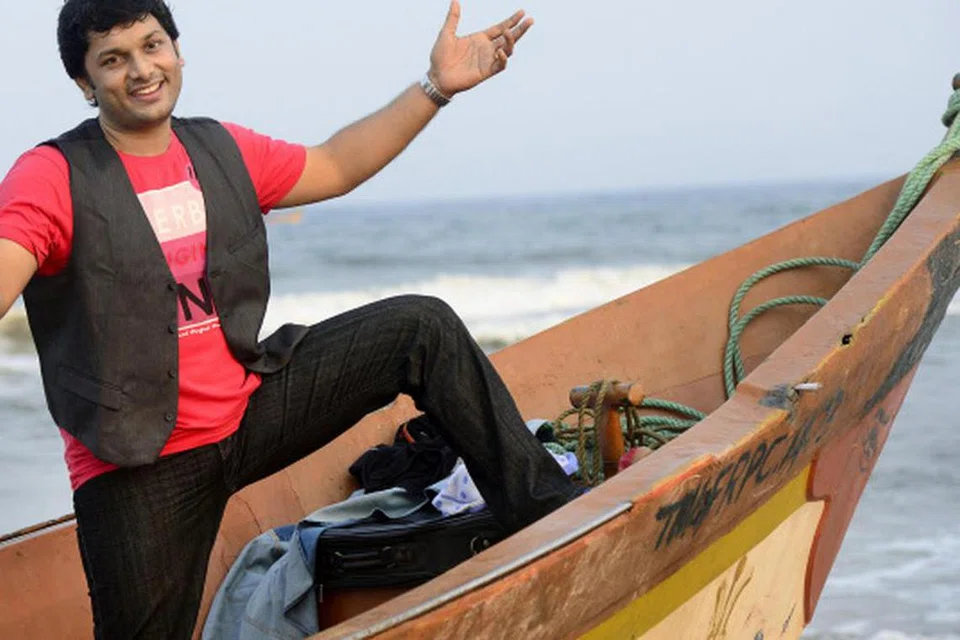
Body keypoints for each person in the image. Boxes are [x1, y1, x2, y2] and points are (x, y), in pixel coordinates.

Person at [0, 1, 580, 637]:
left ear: (177, 51)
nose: (141, 69)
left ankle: (551, 516)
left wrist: (435, 87)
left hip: (249, 410)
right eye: (113, 59)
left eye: (152, 45)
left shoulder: (220, 149)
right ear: (84, 82)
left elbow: (335, 164)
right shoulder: (51, 176)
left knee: (421, 326)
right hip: (139, 465)